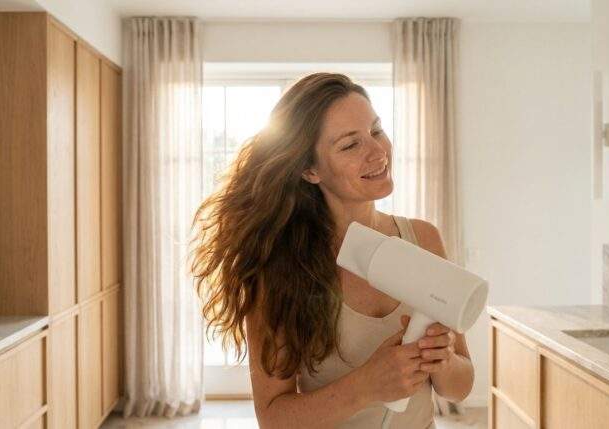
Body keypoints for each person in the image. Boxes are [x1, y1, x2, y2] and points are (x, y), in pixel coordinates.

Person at [190, 72, 474, 428]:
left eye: (376, 130)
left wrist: (444, 360)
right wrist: (365, 386)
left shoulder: (423, 239)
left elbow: (460, 388)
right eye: (350, 145)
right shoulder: (279, 267)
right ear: (310, 169)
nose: (377, 151)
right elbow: (273, 418)